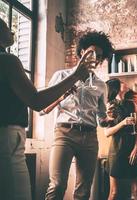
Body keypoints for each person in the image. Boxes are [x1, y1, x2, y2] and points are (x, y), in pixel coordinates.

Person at [0, 17, 94, 200]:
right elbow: (36, 101)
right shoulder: (8, 61)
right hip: (7, 141)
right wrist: (75, 76)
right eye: (5, 26)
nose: (11, 31)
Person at [44, 31, 114, 200]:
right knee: (57, 185)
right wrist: (63, 94)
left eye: (99, 55)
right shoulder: (61, 76)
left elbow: (101, 117)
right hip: (64, 134)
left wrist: (108, 120)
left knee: (83, 191)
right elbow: (44, 107)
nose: (95, 57)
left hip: (90, 137)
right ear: (82, 52)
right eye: (91, 52)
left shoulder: (101, 85)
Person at [103, 78, 137, 200]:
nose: (124, 83)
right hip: (117, 151)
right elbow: (107, 132)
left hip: (132, 150)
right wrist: (123, 123)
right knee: (114, 192)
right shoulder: (110, 106)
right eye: (121, 83)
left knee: (136, 191)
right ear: (116, 88)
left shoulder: (132, 104)